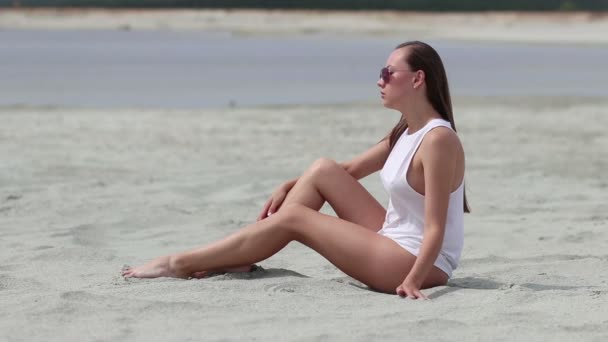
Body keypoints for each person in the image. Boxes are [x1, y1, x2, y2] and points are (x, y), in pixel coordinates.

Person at [122, 40, 470, 300]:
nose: (379, 80)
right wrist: (294, 183)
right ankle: (241, 256)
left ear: (417, 79)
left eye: (387, 73)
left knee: (296, 219)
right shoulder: (404, 131)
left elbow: (436, 227)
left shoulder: (438, 140)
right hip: (393, 240)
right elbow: (345, 171)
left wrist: (411, 280)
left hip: (417, 263)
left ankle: (179, 263)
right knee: (322, 169)